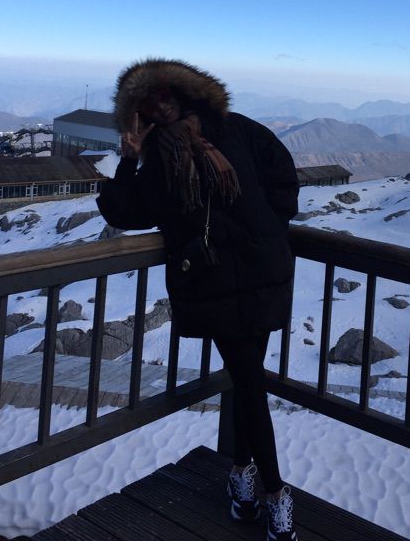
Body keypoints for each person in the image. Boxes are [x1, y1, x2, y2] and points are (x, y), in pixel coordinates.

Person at [96, 58, 300, 541]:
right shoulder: (157, 160)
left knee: (248, 382)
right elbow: (123, 211)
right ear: (140, 115)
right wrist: (129, 157)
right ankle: (273, 492)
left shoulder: (236, 129)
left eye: (164, 94)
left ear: (184, 92)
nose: (160, 105)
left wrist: (270, 228)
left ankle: (246, 478)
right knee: (250, 383)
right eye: (147, 103)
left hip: (262, 274)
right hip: (214, 284)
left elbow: (282, 172)